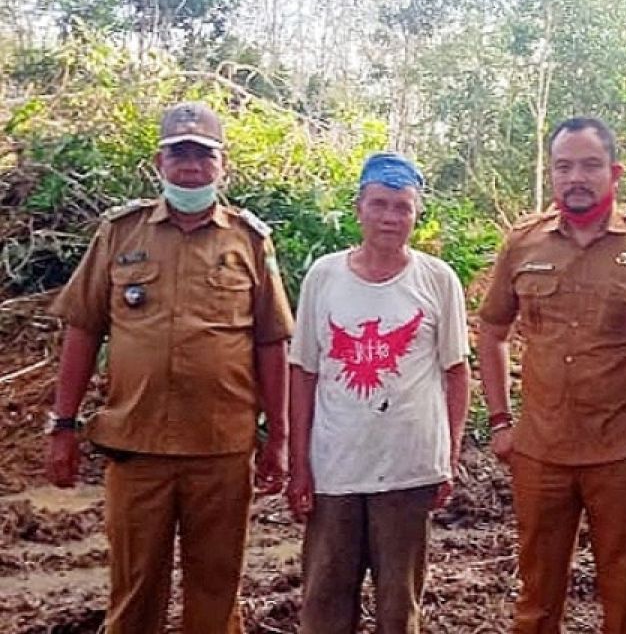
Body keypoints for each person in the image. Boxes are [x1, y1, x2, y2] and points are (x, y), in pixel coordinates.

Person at [45, 101, 294, 633]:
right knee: (134, 592)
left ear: (221, 166)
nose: (191, 167)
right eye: (179, 154)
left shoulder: (249, 240)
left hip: (221, 449)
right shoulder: (120, 233)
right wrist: (62, 425)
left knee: (215, 589)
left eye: (203, 157)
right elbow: (84, 328)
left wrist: (279, 435)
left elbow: (272, 341)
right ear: (160, 163)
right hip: (137, 447)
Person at [476, 116, 626, 634]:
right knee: (536, 600)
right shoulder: (523, 243)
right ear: (552, 174)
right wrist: (500, 421)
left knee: (624, 602)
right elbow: (492, 330)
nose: (576, 177)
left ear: (614, 172)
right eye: (564, 166)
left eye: (590, 165)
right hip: (539, 452)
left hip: (620, 453)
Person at [286, 153, 470, 634]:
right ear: (359, 208)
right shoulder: (325, 277)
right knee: (324, 601)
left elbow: (456, 371)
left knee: (398, 606)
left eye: (402, 207)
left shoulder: (437, 279)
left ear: (417, 213)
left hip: (408, 468)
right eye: (380, 204)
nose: (391, 217)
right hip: (336, 467)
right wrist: (299, 463)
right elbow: (303, 372)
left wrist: (448, 456)